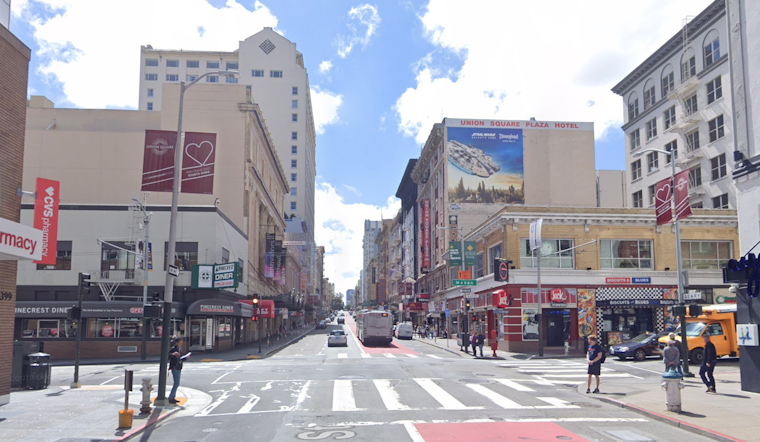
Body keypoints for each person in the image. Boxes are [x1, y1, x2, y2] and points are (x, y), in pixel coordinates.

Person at [168, 336, 188, 404]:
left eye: (181, 343)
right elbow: (168, 356)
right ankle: (171, 397)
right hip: (175, 367)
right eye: (180, 342)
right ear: (176, 342)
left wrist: (186, 358)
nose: (181, 344)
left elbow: (181, 358)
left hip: (178, 367)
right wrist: (173, 354)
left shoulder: (179, 349)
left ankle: (173, 397)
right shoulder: (173, 349)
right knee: (176, 383)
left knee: (176, 383)